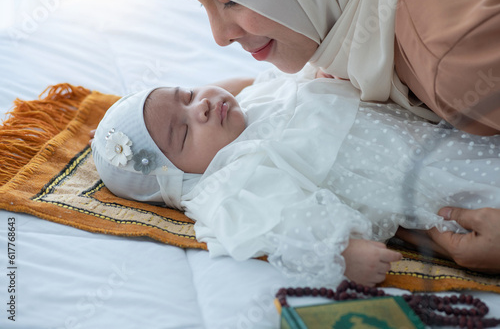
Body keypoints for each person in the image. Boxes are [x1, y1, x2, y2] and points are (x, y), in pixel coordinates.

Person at [91, 68, 500, 288]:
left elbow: (266, 80)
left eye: (188, 93)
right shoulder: (226, 182)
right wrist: (341, 251)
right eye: (181, 133)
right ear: (179, 181)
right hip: (421, 178)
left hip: (423, 126)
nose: (200, 106)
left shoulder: (248, 104)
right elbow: (278, 222)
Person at [190, 0, 500, 273]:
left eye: (229, 1)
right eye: (200, 5)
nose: (219, 37)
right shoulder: (350, 47)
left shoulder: (454, 61)